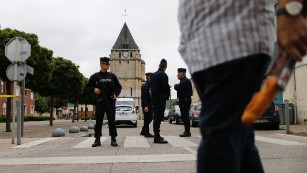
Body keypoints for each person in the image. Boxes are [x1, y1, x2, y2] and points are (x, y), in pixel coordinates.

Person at [178, 0, 307, 172]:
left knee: (219, 141)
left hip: (234, 33)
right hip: (199, 47)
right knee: (240, 144)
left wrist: (291, 10)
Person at [87, 57, 122, 147]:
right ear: (101, 65)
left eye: (108, 64)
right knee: (99, 121)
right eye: (106, 64)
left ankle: (113, 139)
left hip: (110, 101)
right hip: (100, 102)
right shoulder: (95, 76)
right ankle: (97, 139)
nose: (108, 65)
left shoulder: (112, 76)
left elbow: (119, 87)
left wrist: (115, 94)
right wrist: (94, 89)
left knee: (112, 121)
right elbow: (88, 87)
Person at [151, 59, 170, 144]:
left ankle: (156, 135)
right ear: (165, 66)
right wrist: (166, 95)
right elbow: (165, 88)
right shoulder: (163, 75)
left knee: (155, 117)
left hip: (154, 98)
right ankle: (157, 137)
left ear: (159, 65)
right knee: (158, 118)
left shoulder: (154, 75)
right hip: (160, 98)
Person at [174, 68, 193, 137]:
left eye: (179, 74)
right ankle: (186, 131)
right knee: (184, 116)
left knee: (185, 116)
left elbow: (178, 88)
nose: (177, 75)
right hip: (183, 101)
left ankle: (187, 132)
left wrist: (176, 86)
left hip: (185, 101)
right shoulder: (183, 81)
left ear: (183, 74)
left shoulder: (185, 81)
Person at [140, 72, 155, 138]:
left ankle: (143, 131)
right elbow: (144, 97)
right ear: (148, 77)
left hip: (150, 104)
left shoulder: (150, 85)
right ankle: (146, 133)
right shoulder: (145, 85)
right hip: (146, 105)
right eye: (150, 77)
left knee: (149, 118)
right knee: (147, 118)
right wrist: (145, 106)